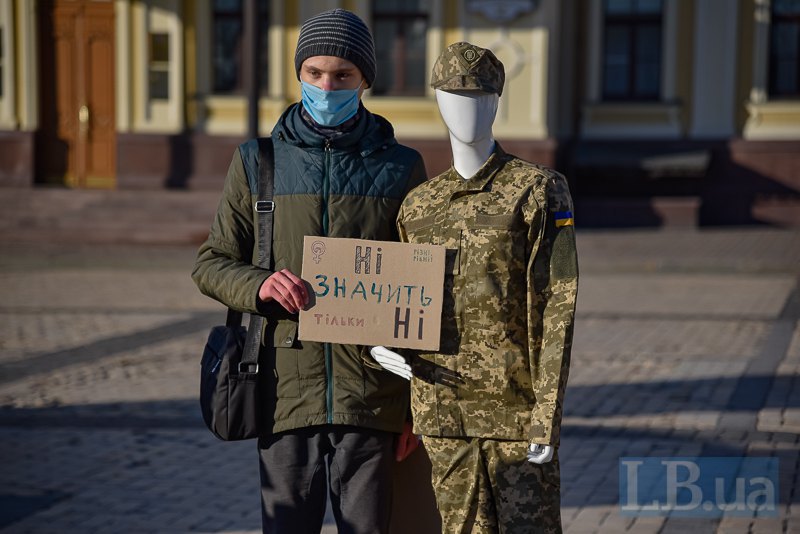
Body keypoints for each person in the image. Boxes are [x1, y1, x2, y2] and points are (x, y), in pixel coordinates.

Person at [192, 9, 426, 534]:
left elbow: (420, 290)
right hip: (282, 390)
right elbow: (211, 264)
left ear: (365, 79)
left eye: (342, 75)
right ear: (298, 73)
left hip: (370, 394)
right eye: (314, 72)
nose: (327, 85)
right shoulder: (258, 161)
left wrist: (415, 405)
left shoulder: (401, 167)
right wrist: (260, 284)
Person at [370, 42, 578, 533]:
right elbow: (396, 301)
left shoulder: (538, 189)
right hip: (443, 415)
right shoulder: (419, 206)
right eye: (455, 96)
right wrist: (378, 345)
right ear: (438, 101)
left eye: (480, 96)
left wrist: (546, 411)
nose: (468, 109)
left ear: (497, 101)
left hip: (515, 411)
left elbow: (558, 305)